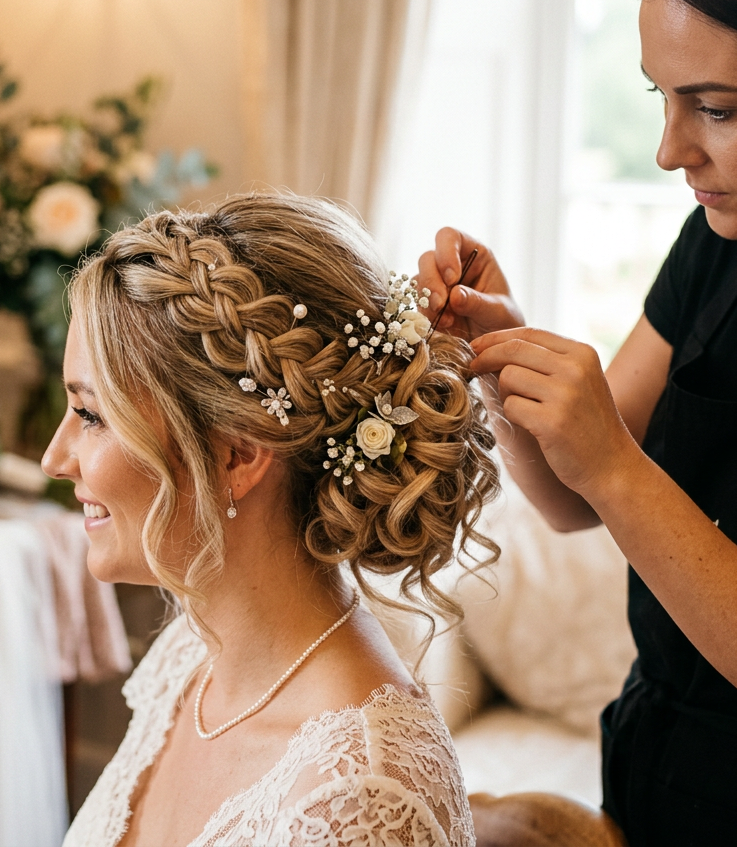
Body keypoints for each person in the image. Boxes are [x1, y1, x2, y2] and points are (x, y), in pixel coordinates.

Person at [417, 0, 737, 843]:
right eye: (662, 99)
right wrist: (501, 357)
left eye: (716, 108)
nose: (671, 151)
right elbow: (565, 501)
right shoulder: (721, 246)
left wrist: (620, 470)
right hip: (653, 780)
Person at [43, 192, 499, 847]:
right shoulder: (194, 662)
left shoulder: (354, 801)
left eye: (90, 415)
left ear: (239, 454)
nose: (53, 458)